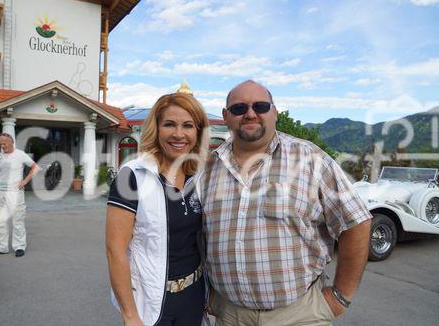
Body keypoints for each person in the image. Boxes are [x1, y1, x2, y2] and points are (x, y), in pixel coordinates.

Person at [198, 80, 372, 326]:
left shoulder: (310, 159)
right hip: (231, 315)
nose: (250, 114)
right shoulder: (207, 169)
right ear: (226, 116)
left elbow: (356, 222)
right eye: (239, 108)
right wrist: (209, 295)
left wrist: (339, 297)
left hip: (299, 315)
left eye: (260, 106)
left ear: (275, 112)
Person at [106, 93, 210, 326]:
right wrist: (130, 315)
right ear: (156, 128)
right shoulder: (132, 175)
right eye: (169, 124)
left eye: (188, 126)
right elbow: (115, 251)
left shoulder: (199, 177)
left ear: (198, 132)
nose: (179, 134)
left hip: (193, 296)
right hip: (151, 301)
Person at [0, 133, 38, 258]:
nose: (2, 146)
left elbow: (34, 167)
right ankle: (2, 247)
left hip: (15, 193)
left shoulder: (20, 154)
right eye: (0, 144)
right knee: (0, 221)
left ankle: (19, 246)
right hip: (0, 192)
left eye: (4, 143)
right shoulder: (0, 156)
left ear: (11, 142)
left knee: (17, 221)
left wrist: (25, 181)